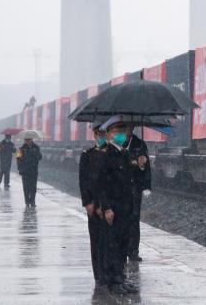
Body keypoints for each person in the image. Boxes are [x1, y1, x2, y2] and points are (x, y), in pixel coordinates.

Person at [97, 118, 138, 295]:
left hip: (125, 207)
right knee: (112, 245)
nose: (120, 135)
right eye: (116, 132)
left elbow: (130, 180)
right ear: (109, 134)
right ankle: (112, 281)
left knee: (122, 244)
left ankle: (120, 278)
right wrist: (106, 208)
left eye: (123, 132)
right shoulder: (107, 154)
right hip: (113, 208)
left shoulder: (124, 153)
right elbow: (102, 184)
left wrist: (140, 165)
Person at [79, 122, 108, 285]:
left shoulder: (112, 154)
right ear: (94, 135)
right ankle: (98, 273)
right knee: (96, 239)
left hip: (109, 203)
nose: (101, 136)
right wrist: (88, 202)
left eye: (104, 133)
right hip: (93, 203)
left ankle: (109, 271)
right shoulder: (87, 155)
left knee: (110, 240)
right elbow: (83, 181)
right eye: (99, 133)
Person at [124, 125, 151, 262]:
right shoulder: (117, 142)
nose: (126, 131)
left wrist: (147, 186)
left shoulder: (140, 144)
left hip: (135, 186)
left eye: (128, 128)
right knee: (122, 219)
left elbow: (147, 167)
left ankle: (133, 251)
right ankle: (122, 249)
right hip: (121, 187)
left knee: (134, 219)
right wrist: (133, 162)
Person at [16, 135, 42, 207]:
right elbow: (18, 159)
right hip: (25, 171)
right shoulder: (20, 149)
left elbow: (40, 157)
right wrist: (19, 169)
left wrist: (35, 153)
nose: (27, 141)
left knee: (33, 187)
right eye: (26, 140)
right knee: (26, 187)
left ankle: (32, 201)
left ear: (32, 140)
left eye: (29, 140)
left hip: (33, 170)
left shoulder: (36, 148)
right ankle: (27, 202)